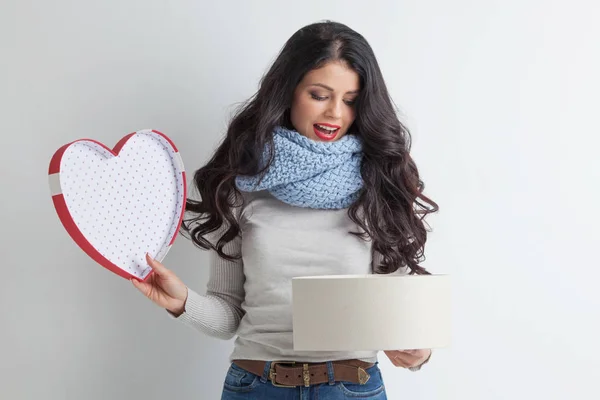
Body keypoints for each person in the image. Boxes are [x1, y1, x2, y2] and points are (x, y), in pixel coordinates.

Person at [131, 20, 439, 399]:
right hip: (256, 386)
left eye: (350, 100)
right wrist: (183, 303)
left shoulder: (379, 182)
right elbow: (229, 315)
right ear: (288, 91)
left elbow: (400, 313)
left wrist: (417, 350)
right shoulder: (242, 185)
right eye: (319, 94)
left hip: (351, 389)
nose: (335, 114)